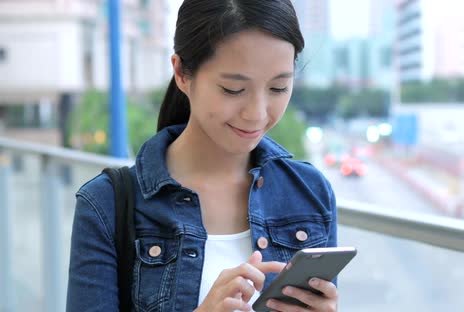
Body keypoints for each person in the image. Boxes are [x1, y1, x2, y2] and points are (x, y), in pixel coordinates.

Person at [66, 0, 338, 311]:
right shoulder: (105, 206)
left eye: (278, 88)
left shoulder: (310, 194)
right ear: (182, 73)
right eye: (233, 90)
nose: (257, 113)